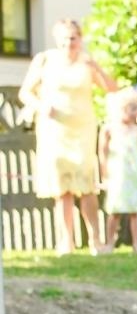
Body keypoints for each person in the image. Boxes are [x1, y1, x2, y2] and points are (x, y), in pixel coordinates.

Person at [18, 18, 115, 254]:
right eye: (64, 38)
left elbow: (111, 88)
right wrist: (42, 107)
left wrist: (98, 69)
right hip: (55, 129)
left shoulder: (87, 62)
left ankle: (95, 240)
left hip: (82, 128)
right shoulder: (45, 60)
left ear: (80, 39)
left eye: (72, 38)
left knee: (87, 185)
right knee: (62, 188)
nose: (68, 43)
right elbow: (25, 93)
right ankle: (66, 242)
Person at [99, 88, 137, 253]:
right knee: (115, 211)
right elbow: (103, 152)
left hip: (134, 174)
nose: (135, 113)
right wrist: (103, 172)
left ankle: (136, 244)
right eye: (131, 109)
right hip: (117, 174)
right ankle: (110, 243)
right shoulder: (109, 129)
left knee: (136, 210)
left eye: (136, 108)